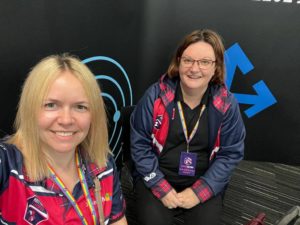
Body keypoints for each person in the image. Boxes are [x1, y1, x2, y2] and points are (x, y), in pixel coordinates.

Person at [130, 29, 245, 225]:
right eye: (188, 60)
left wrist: (200, 192)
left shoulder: (226, 103)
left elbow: (231, 154)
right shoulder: (156, 96)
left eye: (204, 62)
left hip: (202, 178)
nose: (194, 68)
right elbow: (139, 145)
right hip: (157, 175)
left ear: (216, 67)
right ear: (178, 62)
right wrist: (160, 185)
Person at [0, 54, 128, 225]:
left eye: (80, 107)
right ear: (30, 109)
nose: (66, 120)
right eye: (51, 105)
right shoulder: (7, 165)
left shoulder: (103, 163)